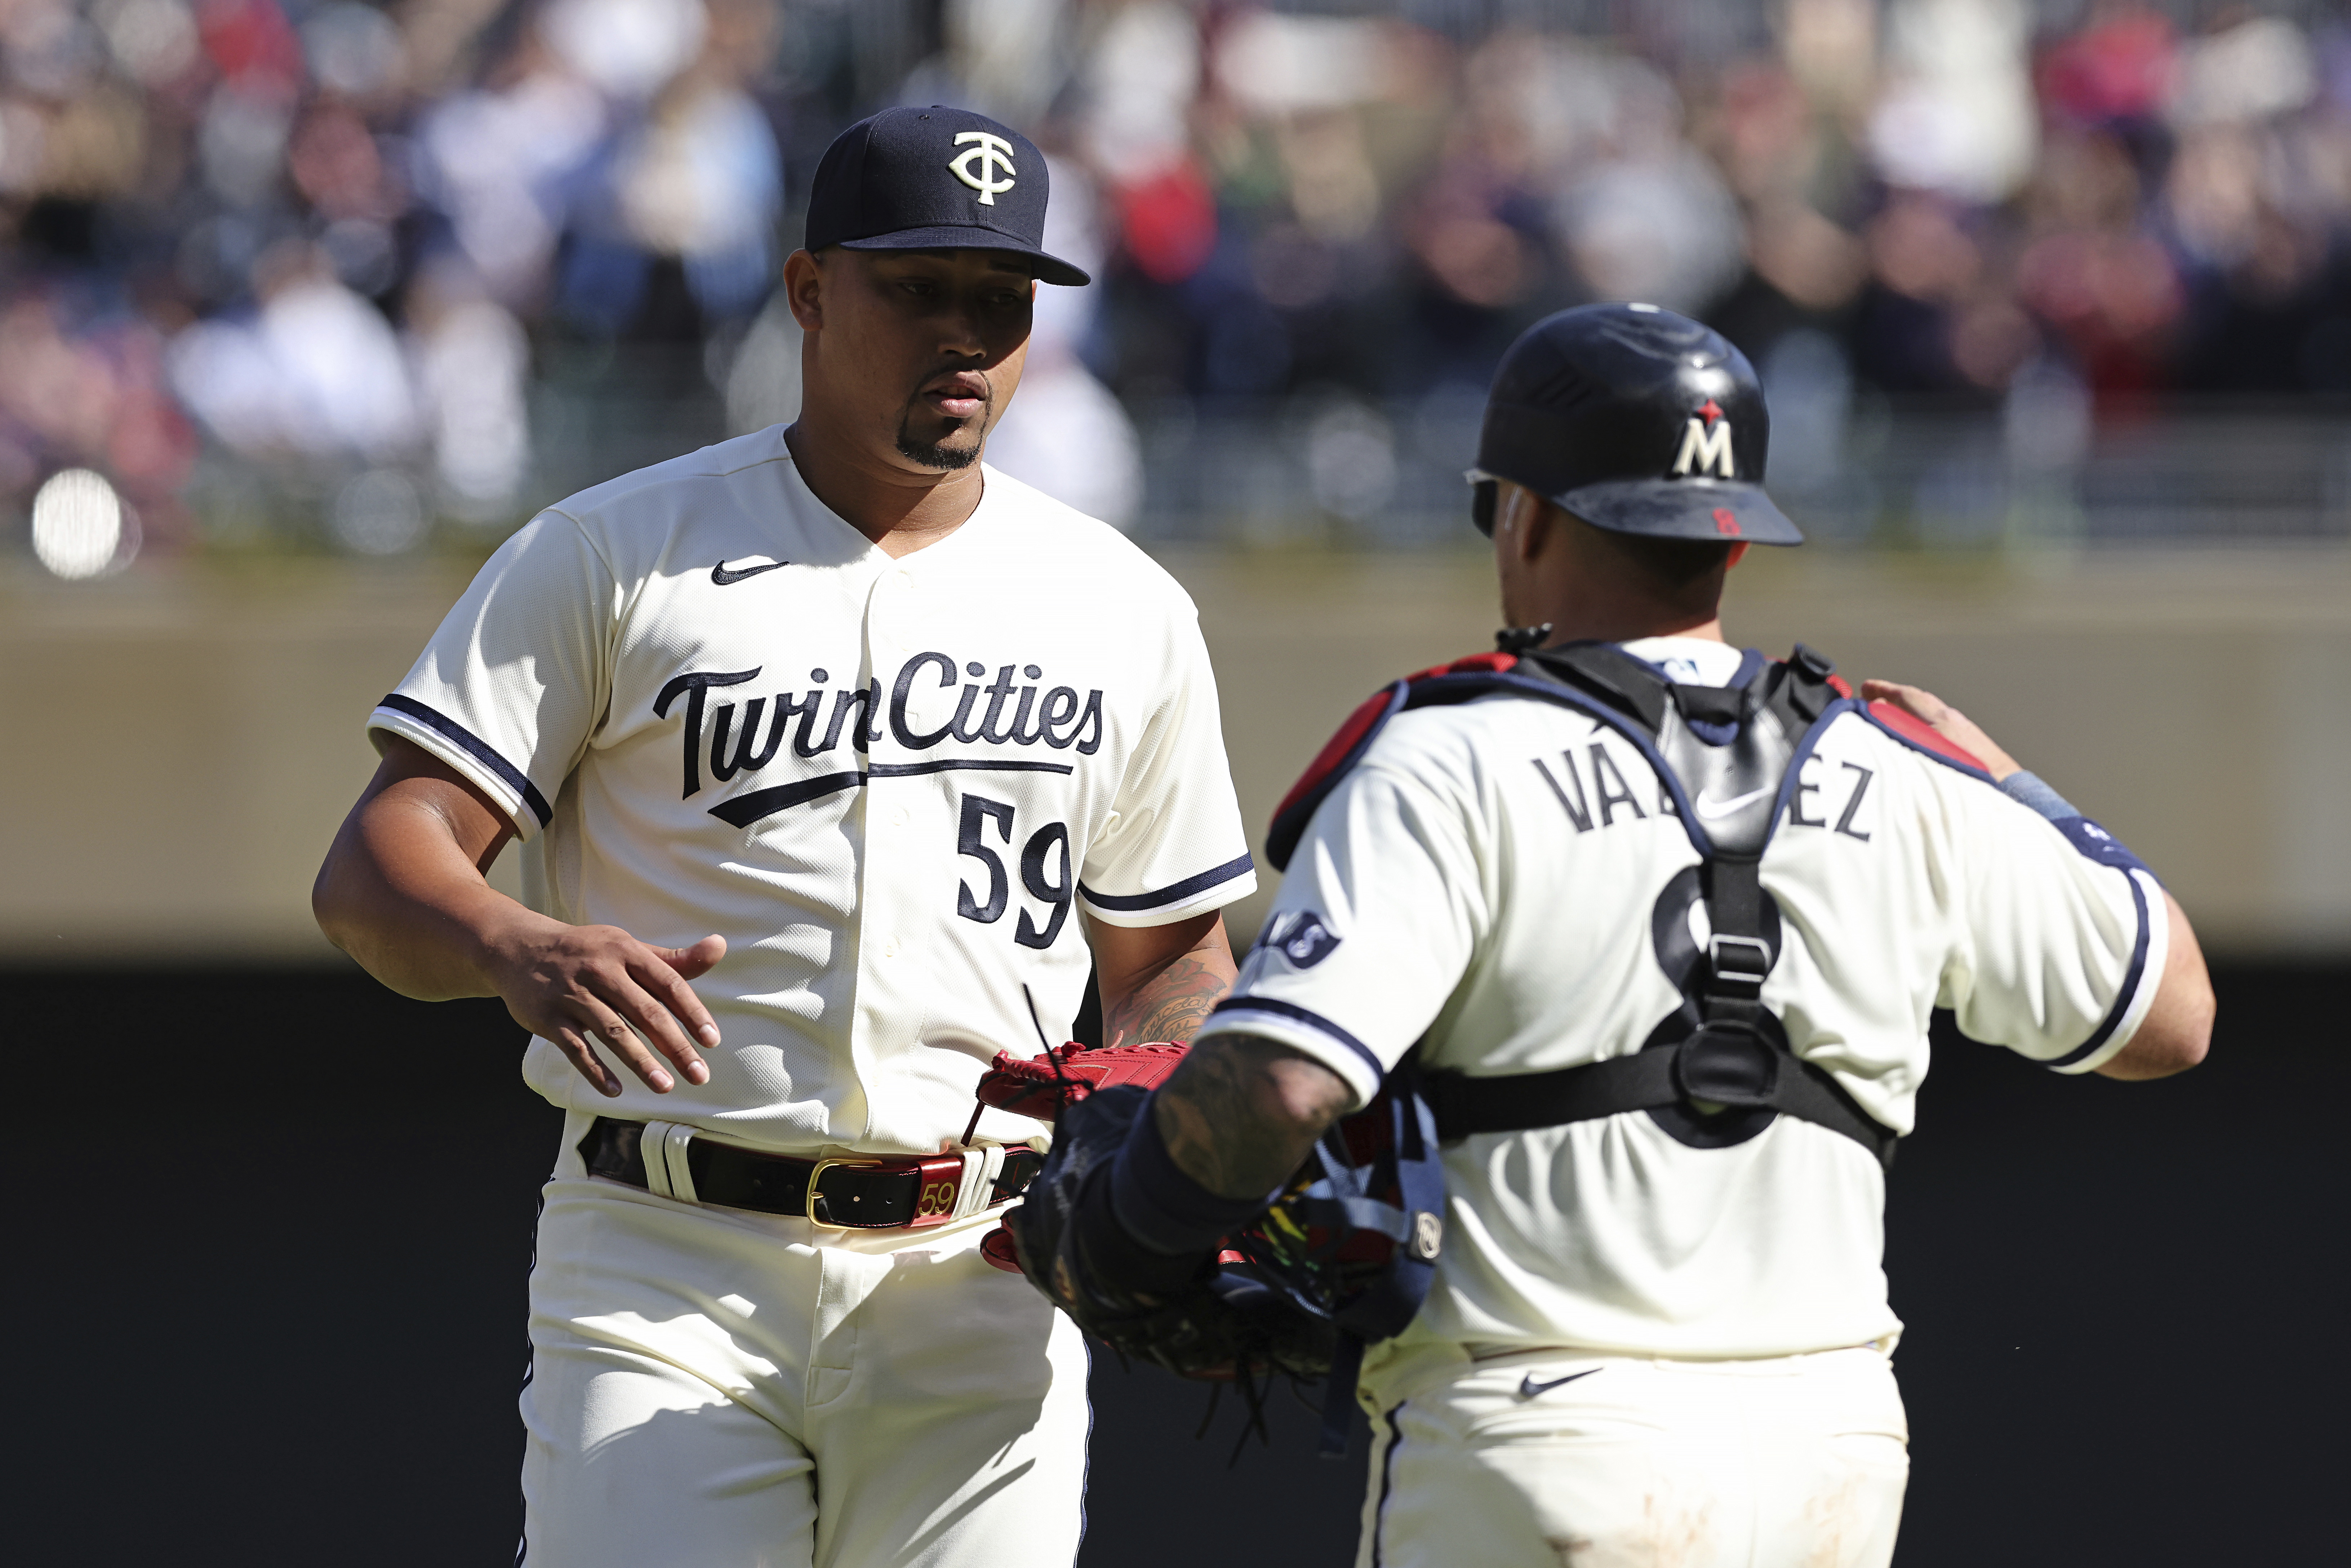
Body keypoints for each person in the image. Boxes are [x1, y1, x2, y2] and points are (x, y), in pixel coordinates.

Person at [1028, 302, 2214, 1567]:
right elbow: (2170, 1019)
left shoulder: (1449, 752)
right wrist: (2015, 786)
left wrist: (1122, 1235)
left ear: (1520, 513)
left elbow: (1279, 1076)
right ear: (1732, 539)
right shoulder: (1898, 764)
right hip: (1832, 1456)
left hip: (1546, 1432)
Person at [311, 106, 1257, 1568]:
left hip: (979, 1273)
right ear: (810, 290)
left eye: (997, 301)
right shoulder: (616, 548)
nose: (964, 334)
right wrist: (511, 941)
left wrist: (1200, 1090)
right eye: (917, 289)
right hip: (668, 1260)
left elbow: (1167, 955)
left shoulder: (1120, 603)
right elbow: (381, 856)